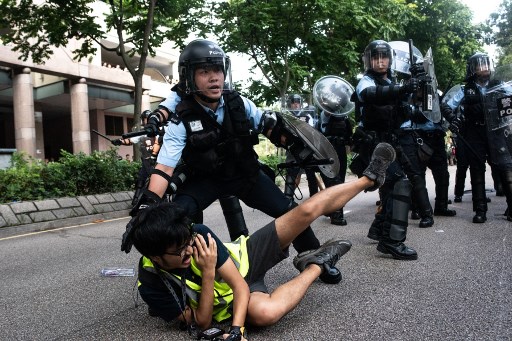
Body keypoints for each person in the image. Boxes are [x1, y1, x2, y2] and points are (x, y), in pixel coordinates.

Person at [127, 142, 396, 338]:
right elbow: (200, 322)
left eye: (188, 241)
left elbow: (237, 284)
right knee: (266, 314)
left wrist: (237, 330)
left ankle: (368, 179)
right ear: (156, 257)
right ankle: (317, 263)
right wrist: (208, 273)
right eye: (180, 251)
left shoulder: (197, 234)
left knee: (301, 212)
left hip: (246, 256)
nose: (190, 249)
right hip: (232, 296)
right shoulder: (151, 285)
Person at [134, 39, 340, 283]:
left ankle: (312, 256)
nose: (214, 78)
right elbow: (165, 167)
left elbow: (269, 126)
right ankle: (184, 275)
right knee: (179, 217)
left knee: (288, 211)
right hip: (204, 178)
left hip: (244, 175)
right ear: (189, 77)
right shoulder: (182, 117)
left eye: (218, 70)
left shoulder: (239, 103)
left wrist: (295, 143)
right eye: (204, 71)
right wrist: (147, 207)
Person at [351, 40, 418, 260]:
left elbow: (402, 112)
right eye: (376, 57)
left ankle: (379, 230)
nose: (380, 61)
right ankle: (392, 241)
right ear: (369, 60)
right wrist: (401, 89)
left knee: (392, 186)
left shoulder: (392, 81)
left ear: (390, 59)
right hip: (373, 143)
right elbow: (370, 94)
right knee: (398, 184)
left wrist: (414, 91)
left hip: (390, 141)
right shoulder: (366, 81)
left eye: (384, 57)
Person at [442, 52, 512, 223]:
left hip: (497, 132)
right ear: (473, 68)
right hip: (475, 132)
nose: (484, 67)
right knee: (476, 171)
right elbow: (446, 105)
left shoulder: (500, 85)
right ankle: (480, 210)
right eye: (480, 65)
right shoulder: (465, 89)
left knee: (505, 169)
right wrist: (454, 120)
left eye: (486, 64)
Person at [316, 109, 353, 225]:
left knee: (340, 181)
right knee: (333, 181)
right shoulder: (324, 115)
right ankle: (337, 214)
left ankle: (331, 208)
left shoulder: (344, 117)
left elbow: (349, 136)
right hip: (327, 150)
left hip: (340, 150)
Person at [282, 94, 319, 202]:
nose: (296, 104)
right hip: (292, 149)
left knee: (310, 173)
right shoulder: (286, 116)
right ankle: (288, 199)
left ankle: (314, 198)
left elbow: (313, 131)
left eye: (298, 102)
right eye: (293, 102)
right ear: (290, 104)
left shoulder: (307, 115)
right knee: (292, 174)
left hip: (306, 148)